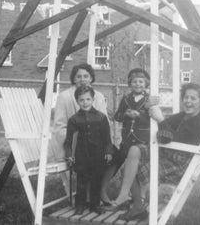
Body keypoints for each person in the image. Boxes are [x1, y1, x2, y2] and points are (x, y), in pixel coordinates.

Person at [109, 82, 200, 221]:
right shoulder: (182, 116)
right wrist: (146, 110)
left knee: (131, 166)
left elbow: (171, 138)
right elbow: (162, 130)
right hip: (167, 153)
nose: (188, 101)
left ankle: (138, 206)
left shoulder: (199, 123)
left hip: (178, 162)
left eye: (193, 98)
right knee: (134, 151)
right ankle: (125, 196)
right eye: (186, 97)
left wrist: (161, 120)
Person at [100, 68, 153, 216]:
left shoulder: (150, 99)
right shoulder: (125, 99)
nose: (138, 84)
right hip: (127, 141)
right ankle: (102, 191)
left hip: (143, 141)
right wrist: (125, 114)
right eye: (134, 81)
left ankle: (135, 197)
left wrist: (139, 116)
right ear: (130, 84)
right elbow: (117, 116)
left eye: (141, 82)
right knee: (116, 158)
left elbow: (154, 119)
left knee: (134, 159)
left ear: (146, 83)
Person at [64, 86, 113, 215]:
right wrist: (70, 155)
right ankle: (80, 205)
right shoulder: (73, 120)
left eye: (88, 99)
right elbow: (69, 141)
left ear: (93, 99)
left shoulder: (101, 117)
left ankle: (95, 205)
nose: (85, 102)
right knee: (81, 181)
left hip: (98, 155)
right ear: (77, 101)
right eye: (81, 100)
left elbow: (107, 138)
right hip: (81, 156)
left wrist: (108, 152)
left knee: (96, 180)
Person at [52, 63, 108, 160]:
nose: (82, 80)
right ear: (74, 79)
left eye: (86, 76)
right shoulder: (64, 97)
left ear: (91, 78)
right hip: (73, 141)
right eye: (78, 77)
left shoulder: (99, 96)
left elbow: (105, 123)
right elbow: (59, 126)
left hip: (96, 141)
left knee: (114, 155)